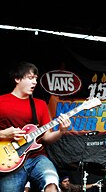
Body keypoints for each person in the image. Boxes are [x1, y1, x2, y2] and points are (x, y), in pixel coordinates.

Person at [0, 61, 71, 192]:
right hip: (9, 160)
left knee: (52, 183)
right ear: (17, 79)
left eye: (36, 79)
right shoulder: (1, 101)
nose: (35, 82)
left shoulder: (39, 104)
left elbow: (47, 137)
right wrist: (4, 134)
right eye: (30, 78)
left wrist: (61, 131)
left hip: (36, 157)